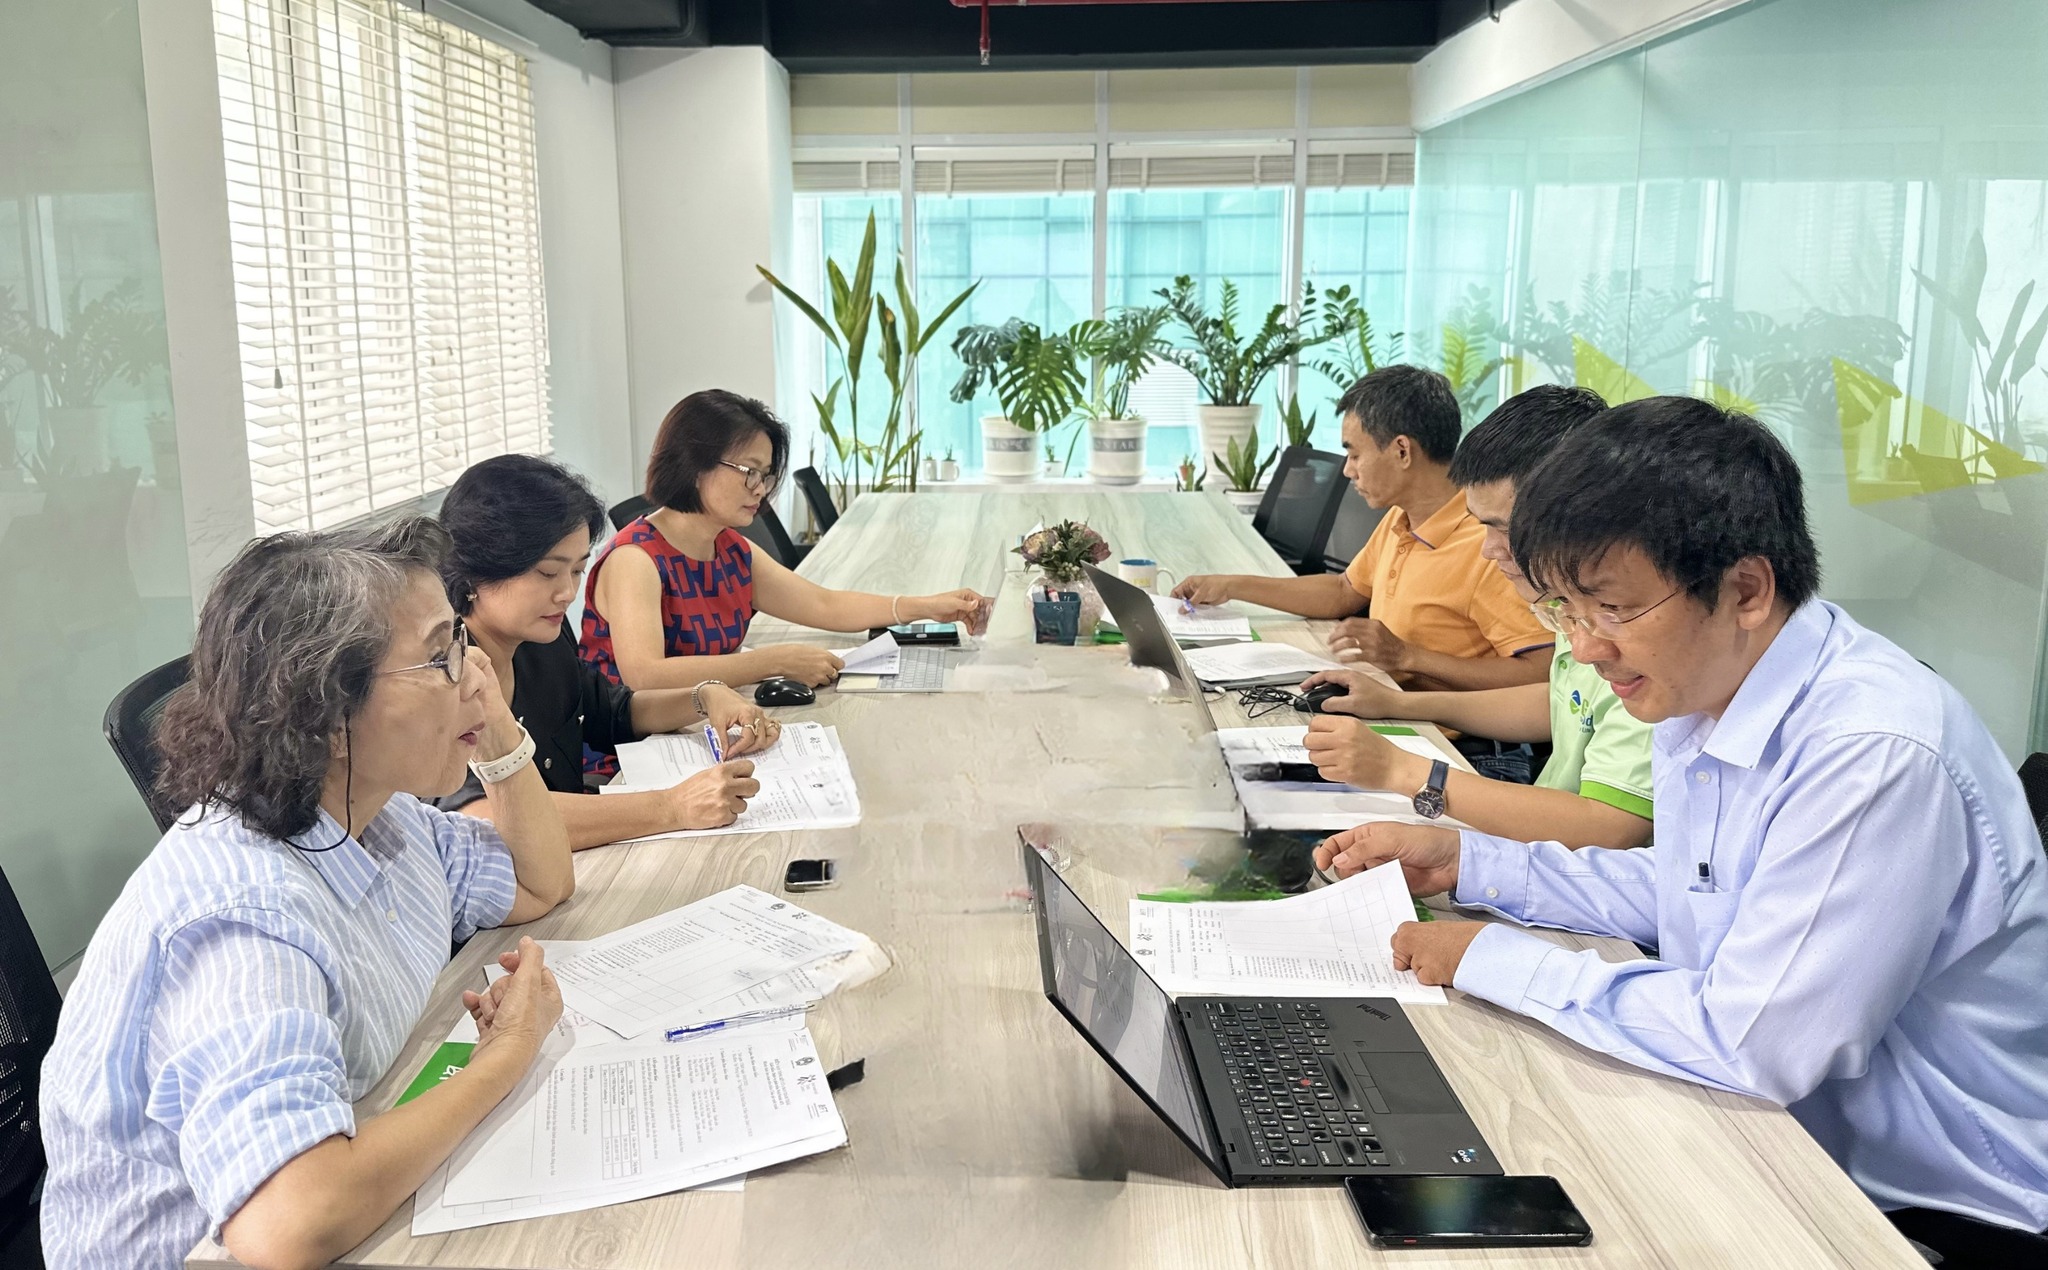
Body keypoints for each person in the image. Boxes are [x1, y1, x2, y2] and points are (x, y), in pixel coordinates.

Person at [1314, 398, 2048, 1267]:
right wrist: (1471, 862)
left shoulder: (1871, 754)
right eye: (1566, 612)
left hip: (1925, 1209)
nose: (1587, 650)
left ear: (1745, 590)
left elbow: (1754, 1042)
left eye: (1610, 609)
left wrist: (1491, 958)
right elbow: (1688, 888)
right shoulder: (1708, 686)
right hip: (1776, 1136)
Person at [41, 518, 576, 1270]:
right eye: (441, 657)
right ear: (324, 713)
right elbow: (290, 1224)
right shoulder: (241, 913)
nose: (475, 675)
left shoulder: (381, 817)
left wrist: (495, 729)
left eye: (460, 642)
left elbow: (537, 881)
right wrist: (509, 1051)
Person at [1299, 385, 1654, 848]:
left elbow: (1612, 829)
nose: (1487, 550)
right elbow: (1561, 703)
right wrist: (1397, 704)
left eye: (1502, 529)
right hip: (1539, 841)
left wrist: (1402, 770)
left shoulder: (1638, 637)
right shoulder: (1566, 606)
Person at [437, 454, 769, 847]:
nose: (567, 593)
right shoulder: (447, 673)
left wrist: (704, 697)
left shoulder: (539, 637)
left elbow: (611, 711)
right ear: (477, 570)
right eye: (548, 572)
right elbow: (483, 816)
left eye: (577, 570)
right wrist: (672, 807)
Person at [581, 389, 989, 696]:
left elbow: (823, 605)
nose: (760, 489)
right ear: (694, 465)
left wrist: (927, 606)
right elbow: (645, 676)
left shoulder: (730, 549)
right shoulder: (635, 558)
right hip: (630, 754)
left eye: (765, 475)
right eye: (749, 471)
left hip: (700, 726)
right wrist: (771, 662)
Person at [1173, 366, 1550, 691]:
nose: (1347, 470)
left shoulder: (1490, 546)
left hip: (1445, 736)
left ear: (1402, 451)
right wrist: (1231, 586)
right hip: (1384, 700)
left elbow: (1540, 674)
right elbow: (1344, 591)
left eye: (1354, 454)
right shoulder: (1401, 517)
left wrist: (1409, 657)